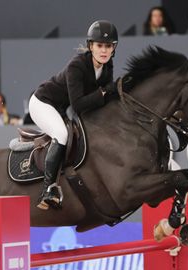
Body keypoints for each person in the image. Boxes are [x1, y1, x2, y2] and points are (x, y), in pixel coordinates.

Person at [29, 20, 118, 210]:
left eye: (108, 46)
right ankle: (48, 189)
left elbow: (102, 101)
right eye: (99, 45)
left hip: (61, 109)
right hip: (43, 103)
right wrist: (103, 93)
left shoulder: (107, 66)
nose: (104, 50)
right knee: (61, 135)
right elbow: (78, 105)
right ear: (90, 46)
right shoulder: (76, 66)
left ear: (113, 48)